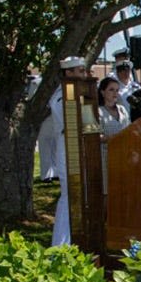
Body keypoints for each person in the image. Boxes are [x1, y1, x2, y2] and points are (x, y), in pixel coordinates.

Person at [50, 56, 88, 247]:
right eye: (80, 71)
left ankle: (75, 240)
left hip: (81, 148)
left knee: (81, 196)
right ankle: (60, 243)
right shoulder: (59, 96)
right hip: (68, 149)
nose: (84, 74)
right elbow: (69, 124)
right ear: (68, 73)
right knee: (69, 196)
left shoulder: (84, 93)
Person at [97, 77, 131, 193]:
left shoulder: (122, 109)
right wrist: (115, 138)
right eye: (111, 90)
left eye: (117, 90)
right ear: (102, 92)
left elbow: (130, 129)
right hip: (105, 158)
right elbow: (97, 137)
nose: (115, 93)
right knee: (108, 191)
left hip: (122, 156)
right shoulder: (98, 112)